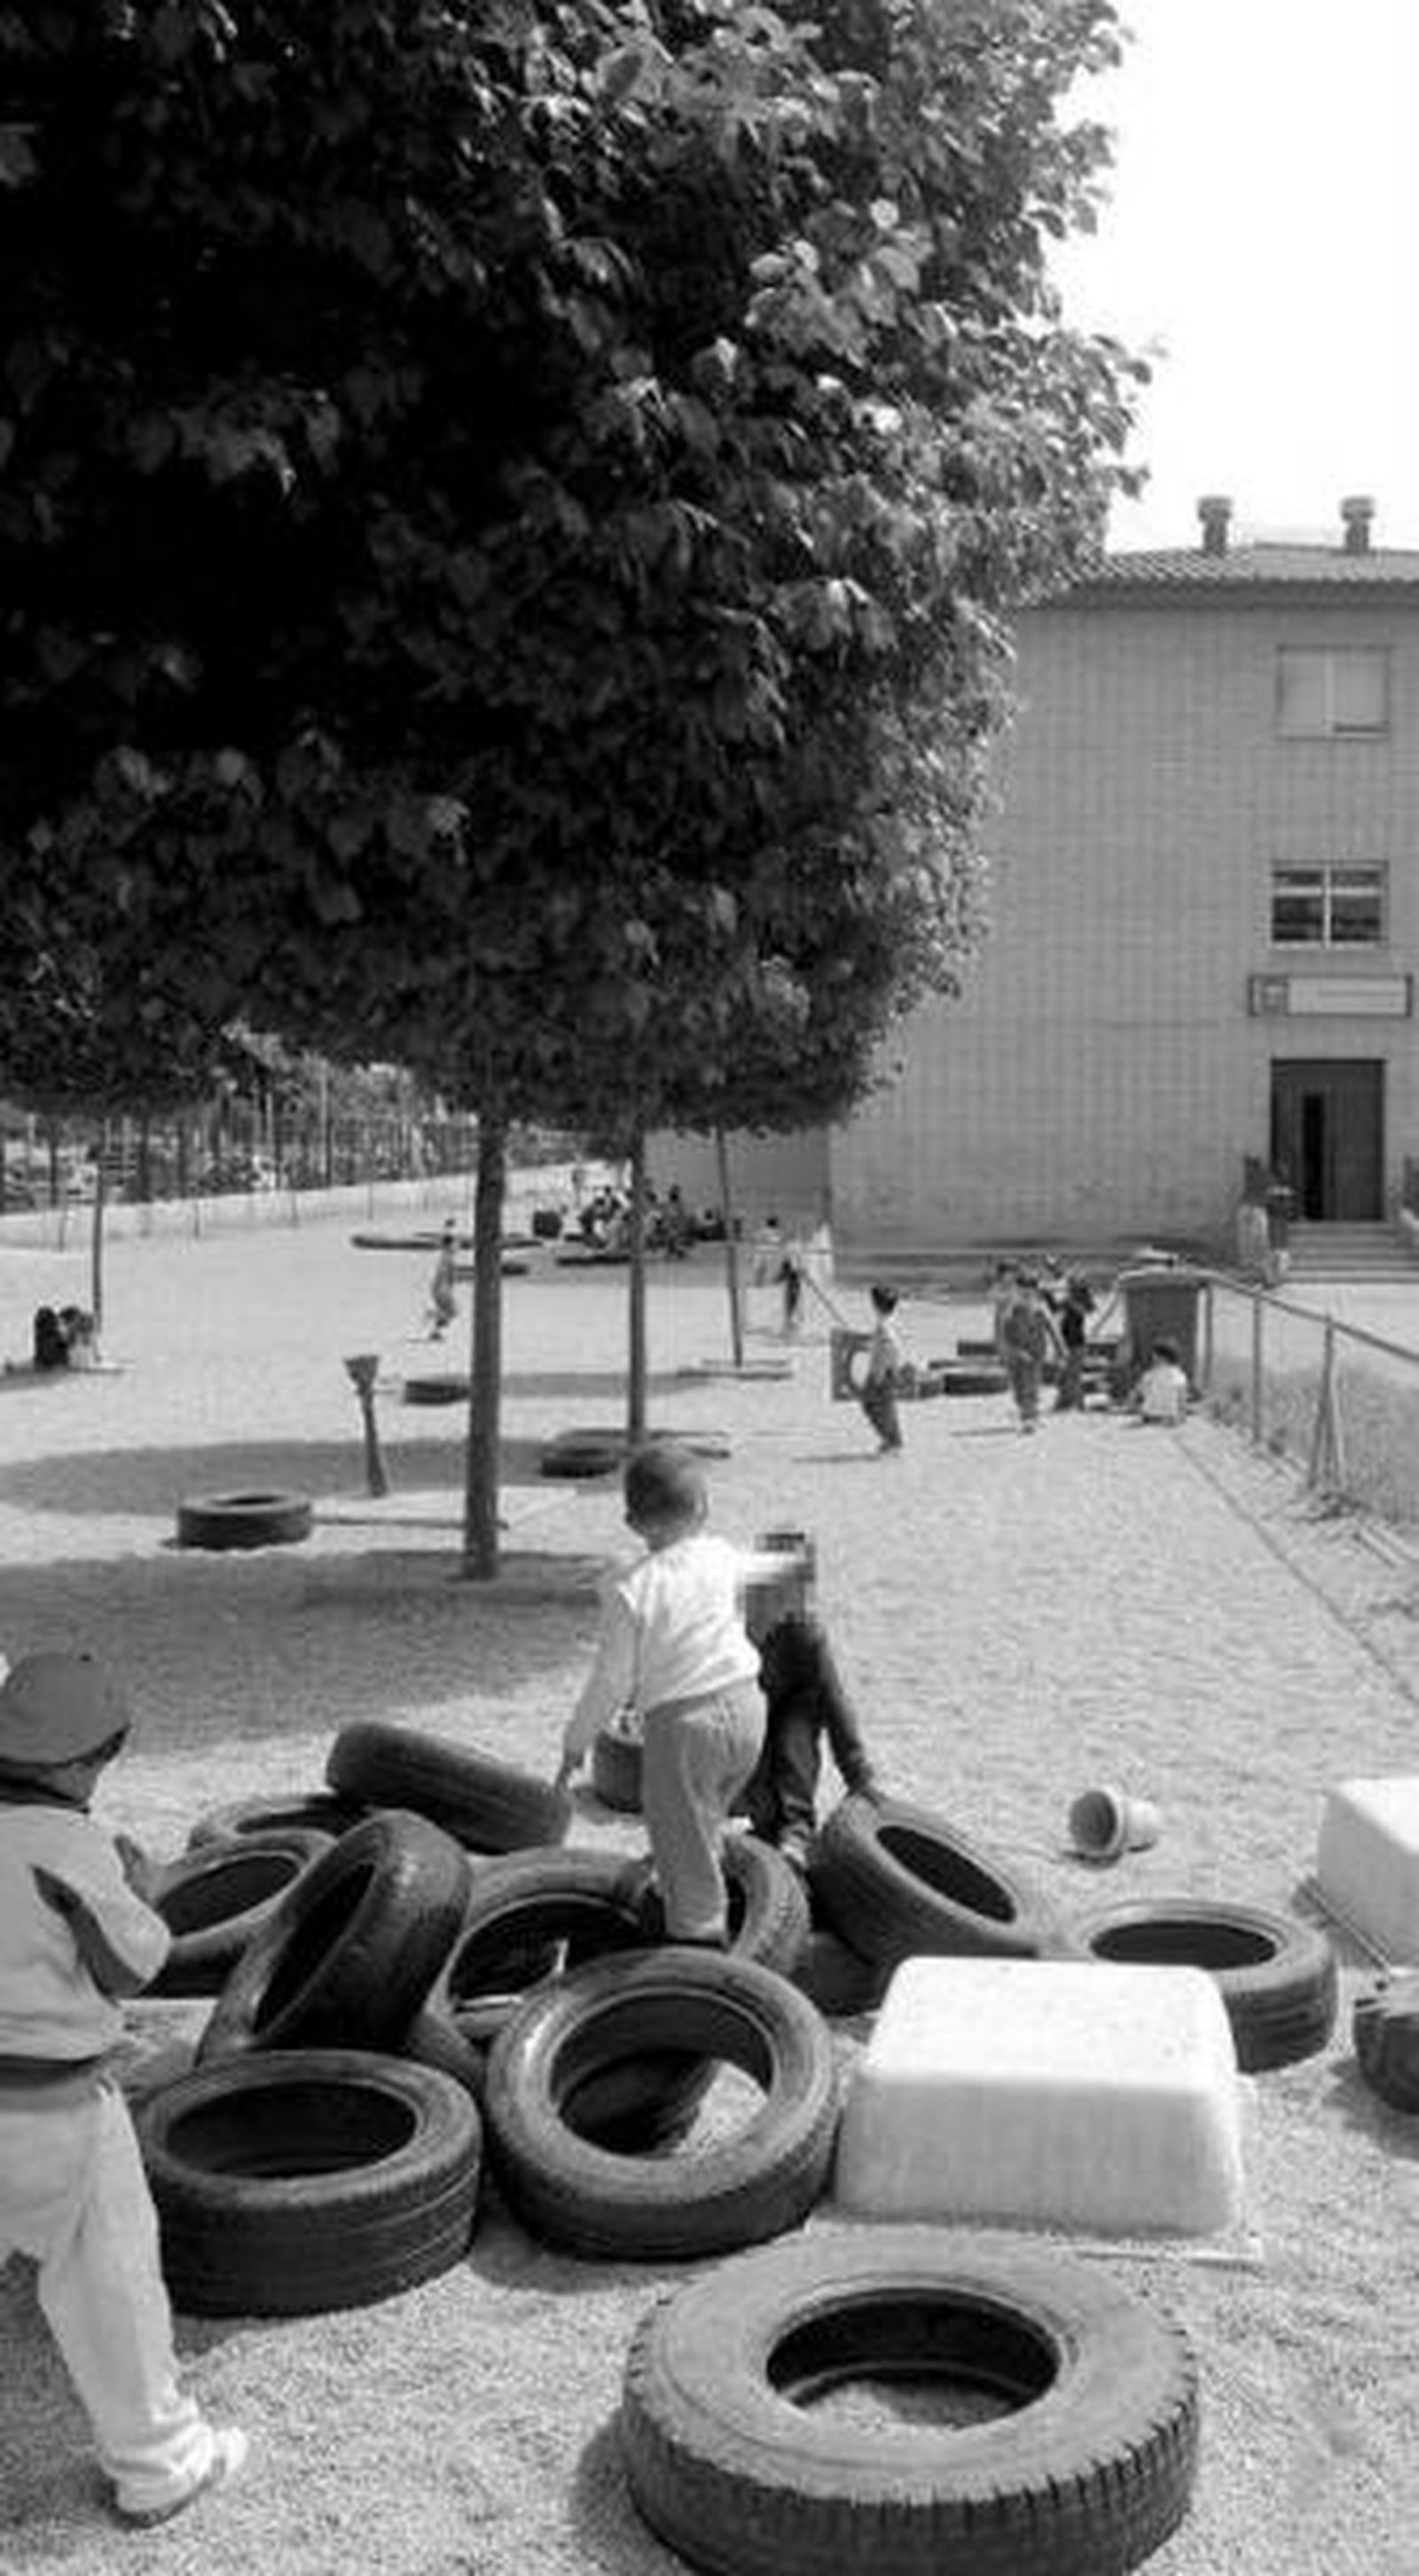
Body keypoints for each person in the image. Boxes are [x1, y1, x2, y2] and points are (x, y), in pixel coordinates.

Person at [0, 1652, 247, 2525]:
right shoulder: (73, 1847)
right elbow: (131, 1966)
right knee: (110, 2281)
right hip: (56, 2108)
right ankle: (161, 2466)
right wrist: (140, 1890)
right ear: (75, 1764)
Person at [554, 1444, 766, 1947]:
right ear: (703, 1508)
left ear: (632, 1522)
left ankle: (698, 1955)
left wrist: (576, 1741)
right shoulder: (722, 1555)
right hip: (748, 1710)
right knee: (704, 1821)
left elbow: (611, 1680)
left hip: (684, 1727)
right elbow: (774, 1576)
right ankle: (717, 1891)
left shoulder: (630, 1589)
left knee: (680, 1844)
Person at [740, 1611, 882, 1878]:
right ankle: (776, 1829)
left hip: (791, 1684)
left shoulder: (802, 1633)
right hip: (741, 1698)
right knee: (753, 1730)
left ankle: (792, 1832)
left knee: (796, 1733)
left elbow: (834, 1703)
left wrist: (859, 1776)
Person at [998, 1269, 1060, 1433]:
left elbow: (1053, 1329)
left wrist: (1060, 1350)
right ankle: (1029, 1412)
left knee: (1031, 1385)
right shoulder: (1011, 1311)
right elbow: (1006, 1335)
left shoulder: (1041, 1310)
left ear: (1035, 1293)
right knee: (1018, 1388)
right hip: (1016, 1354)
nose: (1026, 1296)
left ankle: (1029, 1418)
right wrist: (1012, 1351)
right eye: (1022, 1293)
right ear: (1017, 1292)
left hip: (1035, 1355)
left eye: (1029, 1293)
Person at [859, 1282, 905, 1455]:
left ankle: (891, 1440)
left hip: (882, 1372)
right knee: (886, 1407)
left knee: (871, 1405)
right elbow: (886, 1345)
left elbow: (890, 1346)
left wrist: (880, 1373)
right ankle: (893, 1440)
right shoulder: (888, 1321)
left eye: (873, 1302)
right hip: (887, 1371)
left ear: (877, 1305)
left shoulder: (884, 1325)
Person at [1049, 1270, 1095, 1412]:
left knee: (1073, 1375)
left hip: (1076, 1344)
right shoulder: (1070, 1299)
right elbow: (1055, 1308)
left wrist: (1066, 1298)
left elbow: (1085, 1309)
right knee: (1064, 1375)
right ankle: (1063, 1403)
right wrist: (1046, 1294)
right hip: (1067, 1343)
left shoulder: (1079, 1301)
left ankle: (1078, 1404)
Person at [1133, 1336, 1190, 1424]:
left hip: (1150, 1416)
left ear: (1159, 1357)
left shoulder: (1150, 1375)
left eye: (1154, 1355)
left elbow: (1136, 1394)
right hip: (1171, 1418)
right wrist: (1182, 1416)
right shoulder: (1180, 1375)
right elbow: (1182, 1401)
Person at [425, 1220, 459, 1339]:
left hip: (441, 1287)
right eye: (455, 1245)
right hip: (441, 1288)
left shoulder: (447, 1255)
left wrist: (448, 1227)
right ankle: (431, 1314)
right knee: (452, 1312)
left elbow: (447, 1238)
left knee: (450, 1312)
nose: (457, 1247)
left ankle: (435, 1331)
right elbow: (445, 1273)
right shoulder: (446, 1256)